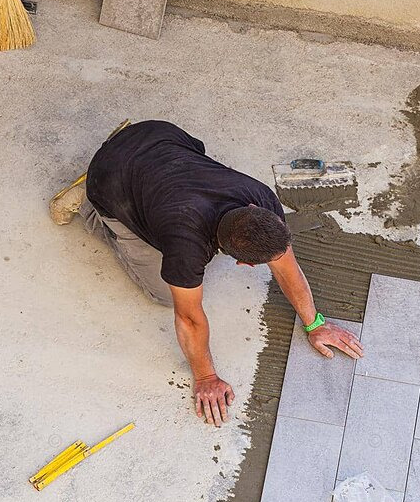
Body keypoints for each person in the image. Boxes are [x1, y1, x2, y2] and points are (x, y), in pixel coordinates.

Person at [51, 120, 363, 426]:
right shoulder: (186, 245)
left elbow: (287, 268)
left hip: (156, 135)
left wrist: (315, 324)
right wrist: (206, 376)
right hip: (110, 177)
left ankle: (127, 151)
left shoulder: (263, 200)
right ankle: (87, 204)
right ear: (244, 264)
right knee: (163, 294)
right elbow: (189, 318)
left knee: (175, 188)